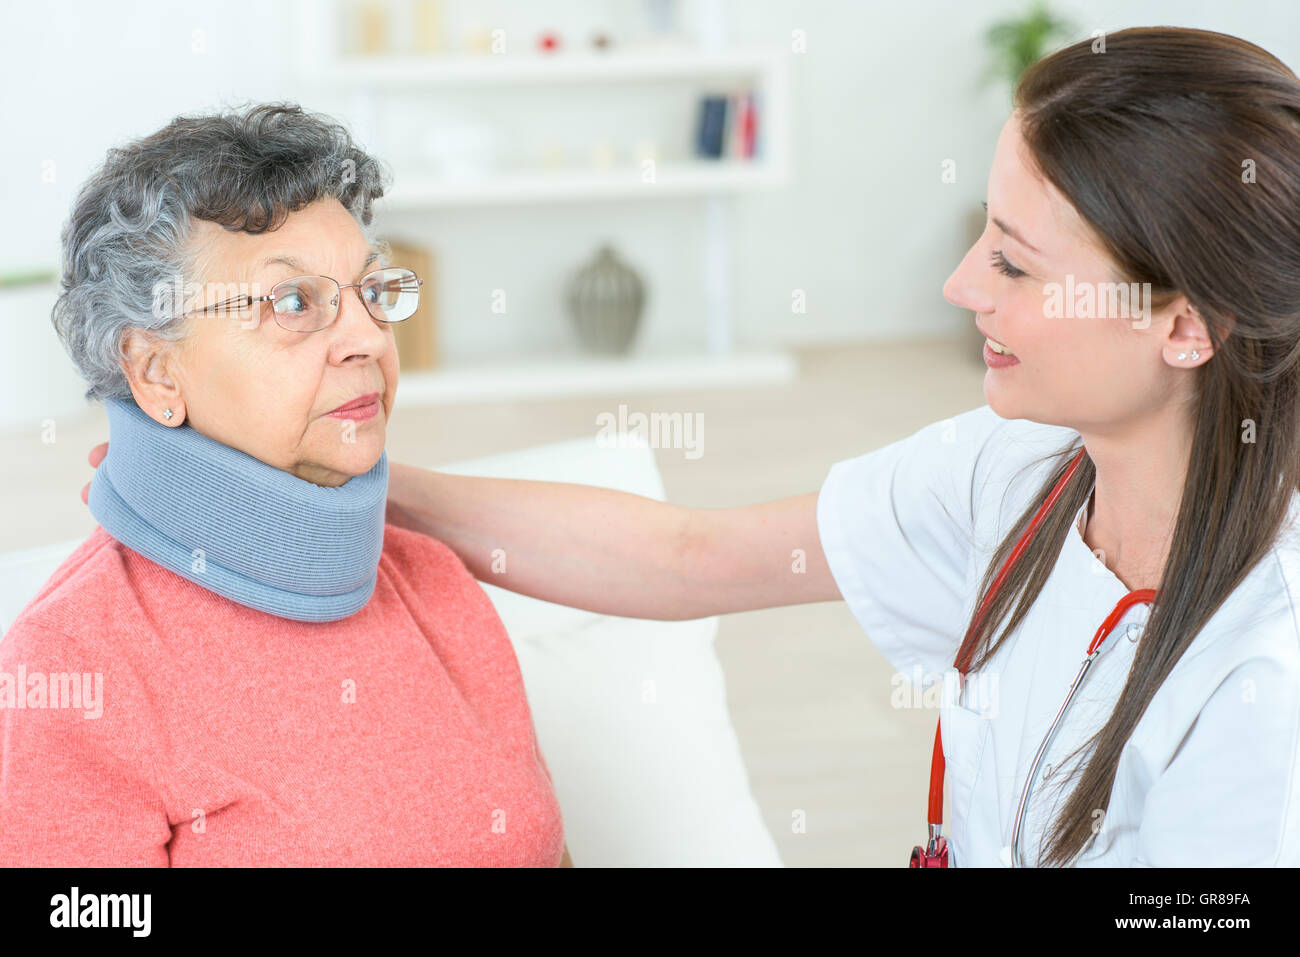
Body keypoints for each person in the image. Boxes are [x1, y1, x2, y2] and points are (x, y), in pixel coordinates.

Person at [369, 26, 1300, 866]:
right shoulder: (1015, 473)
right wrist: (365, 489)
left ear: (1184, 326)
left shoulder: (1263, 688)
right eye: (983, 233)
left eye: (1014, 262)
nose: (959, 283)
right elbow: (687, 556)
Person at [2, 103, 571, 867]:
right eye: (294, 303)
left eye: (373, 291)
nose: (369, 336)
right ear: (153, 369)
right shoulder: (71, 669)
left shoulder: (434, 582)